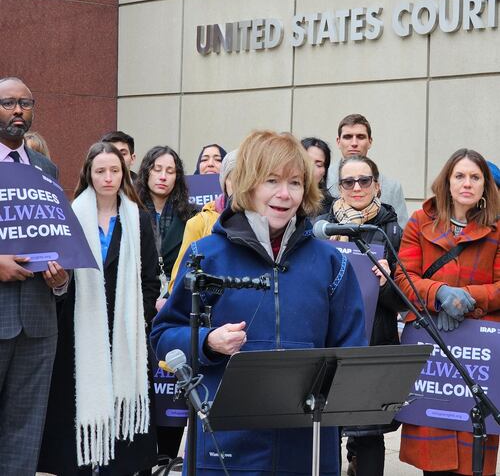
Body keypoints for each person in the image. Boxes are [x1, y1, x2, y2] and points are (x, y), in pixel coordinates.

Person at [151, 130, 367, 476]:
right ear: (248, 184)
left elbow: (352, 354)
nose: (285, 194)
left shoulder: (332, 262)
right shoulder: (204, 255)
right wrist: (207, 342)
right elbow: (164, 336)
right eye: (271, 181)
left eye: (295, 183)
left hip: (308, 451)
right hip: (225, 447)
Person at [38, 142, 160, 475]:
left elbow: (151, 281)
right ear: (88, 174)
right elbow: (59, 282)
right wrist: (59, 285)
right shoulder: (70, 216)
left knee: (125, 450)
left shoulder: (139, 219)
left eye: (115, 170)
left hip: (126, 334)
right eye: (100, 170)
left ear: (125, 174)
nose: (108, 177)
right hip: (79, 333)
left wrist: (137, 318)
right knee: (74, 416)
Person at [395, 148, 500, 476]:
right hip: (434, 355)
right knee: (433, 460)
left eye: (475, 177)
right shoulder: (419, 221)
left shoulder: (498, 227)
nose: (467, 183)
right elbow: (402, 276)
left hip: (478, 355)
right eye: (460, 176)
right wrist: (438, 294)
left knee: (475, 459)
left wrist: (468, 298)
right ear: (447, 181)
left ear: (485, 186)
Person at [0, 76, 69, 475]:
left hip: (39, 323)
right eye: (9, 103)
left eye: (25, 103)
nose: (18, 111)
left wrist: (60, 279)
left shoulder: (46, 168)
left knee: (25, 431)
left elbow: (57, 237)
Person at [319, 155, 404, 476]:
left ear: (377, 185)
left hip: (375, 343)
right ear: (338, 187)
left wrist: (386, 283)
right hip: (329, 345)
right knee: (326, 434)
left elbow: (405, 301)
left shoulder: (395, 231)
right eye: (348, 182)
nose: (357, 187)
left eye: (364, 180)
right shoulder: (320, 228)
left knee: (368, 435)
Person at [135, 145, 196, 463]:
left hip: (174, 307)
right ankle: (144, 452)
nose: (163, 176)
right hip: (138, 309)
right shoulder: (131, 210)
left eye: (170, 171)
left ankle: (168, 455)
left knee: (172, 380)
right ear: (145, 172)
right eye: (157, 169)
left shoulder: (190, 214)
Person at [169, 149, 238, 292]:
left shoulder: (268, 225)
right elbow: (178, 283)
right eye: (234, 178)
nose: (240, 186)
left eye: (247, 179)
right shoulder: (198, 223)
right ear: (224, 182)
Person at [327, 114, 409, 228]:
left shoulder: (392, 187)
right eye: (348, 137)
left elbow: (401, 234)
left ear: (370, 141)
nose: (354, 143)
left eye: (360, 137)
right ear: (338, 141)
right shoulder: (322, 180)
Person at [301, 137, 333, 215]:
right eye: (306, 162)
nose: (311, 168)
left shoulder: (332, 208)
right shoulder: (283, 197)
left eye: (318, 165)